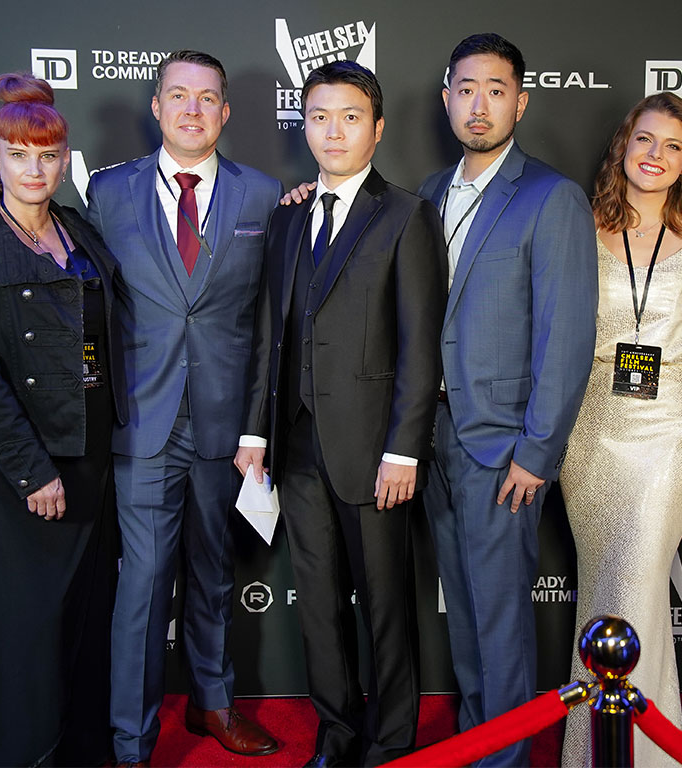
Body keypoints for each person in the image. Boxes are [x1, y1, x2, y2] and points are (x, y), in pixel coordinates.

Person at [236, 61, 448, 768]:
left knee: (386, 610)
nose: (333, 129)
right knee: (319, 609)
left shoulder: (408, 215)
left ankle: (390, 743)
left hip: (374, 451)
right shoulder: (290, 214)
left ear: (377, 128)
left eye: (350, 116)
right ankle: (337, 733)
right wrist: (254, 431)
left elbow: (422, 345)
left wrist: (405, 450)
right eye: (319, 115)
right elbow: (272, 326)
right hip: (294, 446)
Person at [85, 50, 282, 765]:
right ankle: (131, 740)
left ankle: (213, 704)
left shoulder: (266, 195)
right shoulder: (105, 195)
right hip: (142, 421)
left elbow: (268, 324)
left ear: (225, 112)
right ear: (157, 107)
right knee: (140, 586)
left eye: (207, 98)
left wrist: (256, 424)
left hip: (229, 427)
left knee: (215, 573)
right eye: (178, 96)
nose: (193, 110)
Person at [0, 72, 127, 767]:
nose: (34, 169)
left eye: (48, 155)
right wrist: (30, 471)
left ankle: (80, 753)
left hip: (91, 455)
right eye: (19, 155)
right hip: (19, 467)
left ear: (66, 159)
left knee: (82, 622)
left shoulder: (81, 232)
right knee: (20, 629)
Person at [417, 33, 597, 767]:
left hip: (504, 446)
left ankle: (507, 759)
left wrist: (538, 451)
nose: (478, 104)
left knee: (500, 621)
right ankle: (476, 745)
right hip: (431, 438)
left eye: (495, 90)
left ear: (520, 101)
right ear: (446, 99)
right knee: (463, 611)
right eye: (465, 89)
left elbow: (566, 336)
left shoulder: (551, 197)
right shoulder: (427, 194)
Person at [558, 93, 682, 767]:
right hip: (590, 427)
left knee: (633, 580)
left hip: (669, 430)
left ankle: (636, 756)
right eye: (645, 140)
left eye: (673, 146)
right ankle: (601, 749)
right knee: (608, 589)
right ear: (623, 145)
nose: (655, 156)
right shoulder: (579, 222)